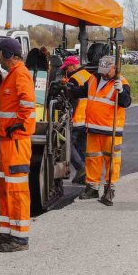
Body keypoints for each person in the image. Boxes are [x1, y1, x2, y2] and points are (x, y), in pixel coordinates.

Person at [0, 37, 36, 252]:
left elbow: (28, 108)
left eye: (0, 53)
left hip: (15, 143)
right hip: (7, 142)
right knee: (5, 188)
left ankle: (20, 239)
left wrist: (17, 128)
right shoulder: (12, 76)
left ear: (8, 55)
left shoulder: (21, 75)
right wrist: (1, 80)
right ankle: (6, 234)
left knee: (16, 191)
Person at [78, 55, 131, 206]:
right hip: (93, 127)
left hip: (111, 129)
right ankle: (92, 188)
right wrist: (69, 89)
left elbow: (126, 102)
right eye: (102, 70)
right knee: (92, 159)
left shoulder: (122, 82)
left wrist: (121, 91)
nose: (104, 74)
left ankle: (109, 189)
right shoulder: (94, 78)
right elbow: (82, 92)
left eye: (107, 71)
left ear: (115, 68)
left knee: (112, 161)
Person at [58, 55, 91, 184]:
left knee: (67, 144)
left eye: (67, 68)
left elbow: (73, 100)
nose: (66, 70)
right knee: (82, 147)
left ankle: (80, 167)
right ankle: (87, 174)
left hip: (77, 118)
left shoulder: (74, 79)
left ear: (72, 66)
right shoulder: (88, 75)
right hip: (88, 118)